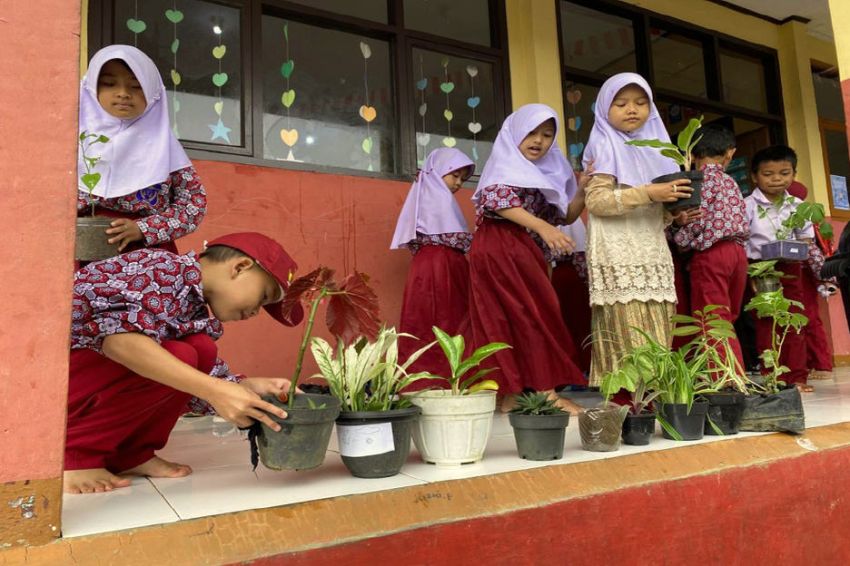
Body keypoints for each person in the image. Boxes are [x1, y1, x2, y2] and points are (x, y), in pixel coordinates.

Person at [65, 232, 304, 494]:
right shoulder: (158, 267)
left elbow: (191, 382)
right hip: (57, 385)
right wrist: (214, 389)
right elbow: (119, 343)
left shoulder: (191, 305)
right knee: (183, 355)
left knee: (199, 349)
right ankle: (74, 454)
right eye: (263, 297)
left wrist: (244, 386)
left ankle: (130, 453)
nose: (256, 312)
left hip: (87, 383)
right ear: (240, 267)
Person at [468, 103, 586, 414]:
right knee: (530, 313)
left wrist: (582, 191)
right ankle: (545, 391)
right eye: (531, 132)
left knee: (512, 314)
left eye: (547, 135)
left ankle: (511, 394)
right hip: (501, 242)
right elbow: (500, 203)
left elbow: (563, 216)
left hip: (521, 249)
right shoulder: (505, 164)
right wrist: (542, 227)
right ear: (515, 134)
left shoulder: (542, 171)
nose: (539, 140)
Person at [582, 72, 694, 387]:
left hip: (651, 246)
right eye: (621, 103)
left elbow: (656, 208)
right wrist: (648, 193)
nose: (632, 109)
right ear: (605, 108)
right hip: (617, 248)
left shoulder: (657, 148)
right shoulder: (603, 144)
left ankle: (655, 394)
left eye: (641, 103)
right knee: (624, 321)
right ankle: (626, 401)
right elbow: (598, 201)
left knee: (658, 316)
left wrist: (674, 214)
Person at [77, 44, 206, 254]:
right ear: (91, 87)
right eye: (109, 83)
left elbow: (193, 205)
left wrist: (144, 228)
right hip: (80, 248)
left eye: (136, 86)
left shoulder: (164, 146)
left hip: (145, 258)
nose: (123, 94)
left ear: (152, 91)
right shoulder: (74, 141)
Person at [391, 148, 475, 386]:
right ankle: (439, 381)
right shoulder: (433, 196)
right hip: (439, 267)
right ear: (438, 172)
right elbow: (453, 237)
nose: (458, 183)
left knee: (437, 319)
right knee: (441, 319)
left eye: (462, 178)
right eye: (454, 175)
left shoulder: (431, 195)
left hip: (438, 265)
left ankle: (432, 381)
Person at [672, 123, 749, 369]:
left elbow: (697, 220)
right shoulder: (731, 182)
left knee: (711, 319)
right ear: (730, 153)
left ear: (690, 154)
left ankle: (725, 380)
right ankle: (730, 372)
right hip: (737, 253)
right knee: (727, 317)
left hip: (711, 255)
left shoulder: (696, 181)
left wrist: (678, 237)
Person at [744, 146, 813, 391]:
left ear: (794, 174)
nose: (776, 179)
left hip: (791, 266)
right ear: (754, 176)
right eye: (768, 174)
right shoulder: (748, 205)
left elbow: (806, 238)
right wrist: (749, 274)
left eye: (784, 173)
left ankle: (796, 377)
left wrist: (796, 247)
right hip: (761, 269)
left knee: (793, 319)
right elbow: (741, 241)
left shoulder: (798, 206)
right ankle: (771, 375)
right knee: (766, 321)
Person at [787, 181, 836, 381]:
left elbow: (813, 252)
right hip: (795, 271)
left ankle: (822, 364)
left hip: (803, 273)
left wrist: (825, 278)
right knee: (798, 319)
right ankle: (809, 363)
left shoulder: (802, 215)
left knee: (808, 318)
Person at [551, 218, 592, 375]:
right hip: (561, 274)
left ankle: (580, 368)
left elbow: (579, 249)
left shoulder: (569, 216)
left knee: (576, 323)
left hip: (568, 275)